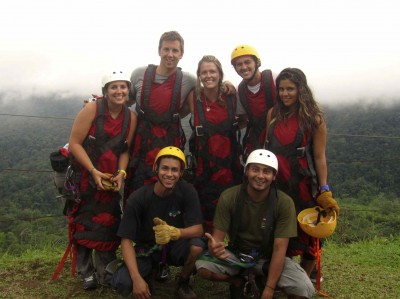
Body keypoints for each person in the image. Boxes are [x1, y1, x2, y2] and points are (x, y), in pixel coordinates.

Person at [195, 149, 315, 299]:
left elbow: (279, 249)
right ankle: (237, 281)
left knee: (304, 289)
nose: (260, 176)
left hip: (269, 257)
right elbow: (217, 240)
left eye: (267, 172)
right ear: (246, 172)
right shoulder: (229, 197)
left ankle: (263, 281)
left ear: (274, 176)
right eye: (255, 169)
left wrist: (269, 290)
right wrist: (214, 249)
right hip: (237, 254)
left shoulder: (284, 203)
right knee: (203, 267)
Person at [265, 68, 339, 278]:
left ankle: (306, 279)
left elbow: (319, 157)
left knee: (310, 234)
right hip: (278, 185)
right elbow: (266, 148)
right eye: (281, 89)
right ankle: (283, 277)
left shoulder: (313, 119)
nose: (285, 93)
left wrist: (324, 189)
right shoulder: (272, 114)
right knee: (280, 232)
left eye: (290, 89)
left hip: (305, 185)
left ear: (301, 90)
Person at [67, 70, 137, 289]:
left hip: (110, 178)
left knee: (108, 222)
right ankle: (86, 272)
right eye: (113, 87)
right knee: (84, 222)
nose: (119, 91)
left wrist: (122, 174)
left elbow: (125, 150)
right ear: (105, 91)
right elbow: (75, 142)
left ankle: (105, 271)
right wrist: (93, 171)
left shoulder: (131, 117)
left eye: (123, 87)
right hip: (87, 177)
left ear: (128, 90)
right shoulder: (92, 109)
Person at [111, 146, 204, 299]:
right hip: (148, 248)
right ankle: (147, 274)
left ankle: (183, 281)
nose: (169, 174)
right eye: (164, 168)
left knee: (197, 246)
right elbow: (126, 240)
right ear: (156, 168)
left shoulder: (187, 191)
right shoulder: (138, 198)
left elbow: (198, 229)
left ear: (181, 173)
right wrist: (136, 279)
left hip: (175, 245)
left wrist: (176, 232)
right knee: (123, 282)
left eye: (175, 170)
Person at [125, 30, 196, 197]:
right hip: (141, 141)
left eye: (175, 50)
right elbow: (125, 101)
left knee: (168, 187)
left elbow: (209, 89)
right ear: (159, 51)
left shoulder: (189, 80)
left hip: (170, 140)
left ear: (181, 54)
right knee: (136, 188)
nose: (170, 54)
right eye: (166, 49)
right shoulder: (138, 74)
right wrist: (102, 101)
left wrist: (226, 85)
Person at [181, 55, 243, 233]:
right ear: (199, 75)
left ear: (220, 74)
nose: (208, 76)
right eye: (204, 72)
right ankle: (207, 255)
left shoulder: (231, 96)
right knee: (206, 215)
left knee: (233, 215)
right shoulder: (193, 98)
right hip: (203, 169)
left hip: (230, 168)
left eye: (212, 71)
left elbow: (246, 119)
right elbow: (174, 114)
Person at [231, 44, 277, 163]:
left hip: (279, 133)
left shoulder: (274, 80)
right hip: (256, 136)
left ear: (257, 63)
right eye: (239, 64)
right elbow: (243, 119)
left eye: (247, 62)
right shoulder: (240, 91)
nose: (244, 67)